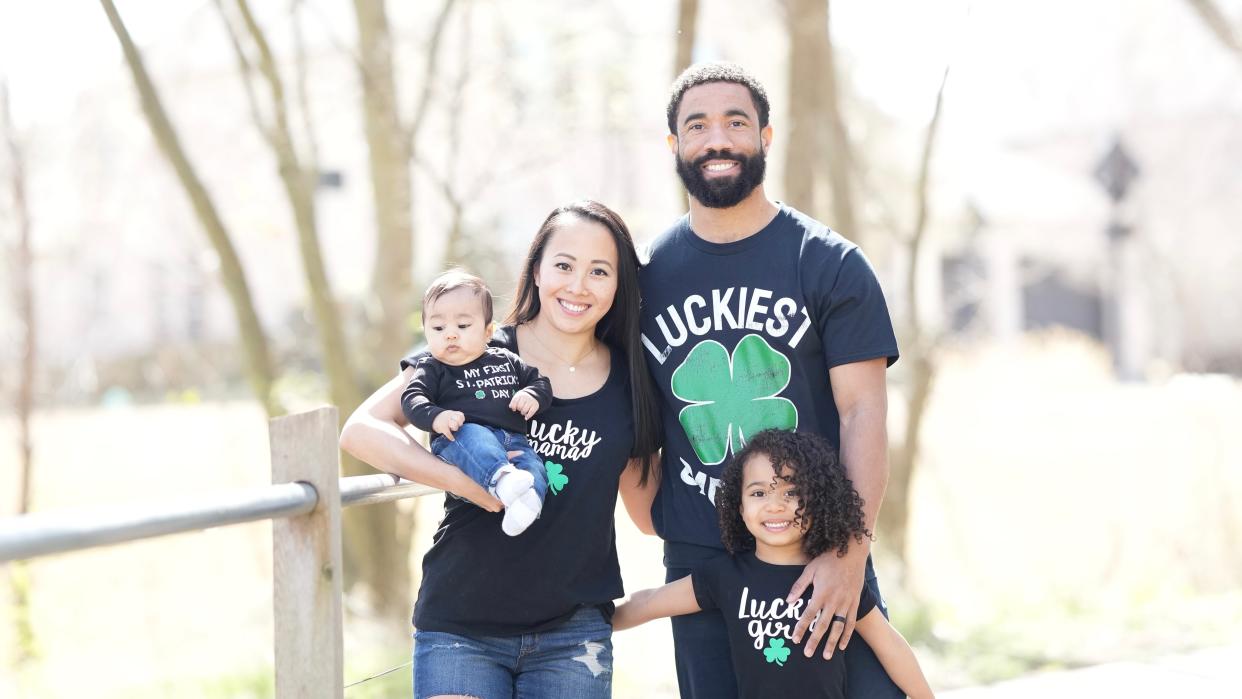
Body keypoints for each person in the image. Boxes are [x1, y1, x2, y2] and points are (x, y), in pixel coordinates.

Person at [640, 61, 903, 697]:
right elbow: (628, 412)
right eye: (697, 125)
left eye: (737, 122)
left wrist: (847, 554)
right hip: (703, 558)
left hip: (817, 548)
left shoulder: (830, 262)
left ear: (766, 136)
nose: (718, 139)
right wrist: (652, 511)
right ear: (674, 145)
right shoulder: (644, 276)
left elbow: (862, 413)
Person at [340, 200, 662, 699]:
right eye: (563, 266)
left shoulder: (632, 382)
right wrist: (463, 480)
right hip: (461, 626)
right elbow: (360, 429)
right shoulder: (476, 347)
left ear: (619, 286)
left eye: (599, 271)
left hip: (574, 635)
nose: (577, 286)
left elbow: (648, 515)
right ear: (536, 270)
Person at [613, 430, 933, 699]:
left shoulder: (834, 581)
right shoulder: (724, 577)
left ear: (817, 499)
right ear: (739, 507)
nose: (775, 505)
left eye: (792, 491)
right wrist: (591, 621)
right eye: (759, 492)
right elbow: (649, 602)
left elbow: (890, 645)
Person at [401, 269, 552, 536]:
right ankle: (502, 480)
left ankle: (527, 506)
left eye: (462, 326)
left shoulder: (506, 359)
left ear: (487, 332)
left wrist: (532, 395)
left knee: (534, 468)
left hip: (513, 440)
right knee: (475, 436)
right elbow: (412, 399)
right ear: (426, 332)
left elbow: (540, 382)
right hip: (459, 440)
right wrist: (437, 417)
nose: (450, 334)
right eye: (438, 328)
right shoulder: (432, 367)